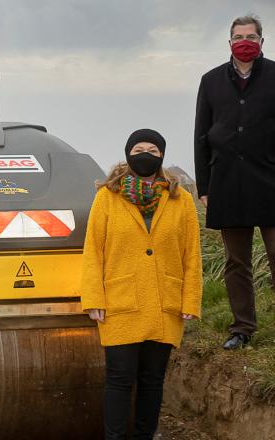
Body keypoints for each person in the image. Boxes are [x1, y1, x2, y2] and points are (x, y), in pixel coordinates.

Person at [194, 14, 275, 350]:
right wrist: (205, 187)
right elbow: (201, 136)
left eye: (251, 36)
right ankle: (242, 329)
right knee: (236, 260)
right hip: (227, 182)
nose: (244, 41)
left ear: (262, 40)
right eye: (237, 36)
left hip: (272, 180)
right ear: (229, 42)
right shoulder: (211, 81)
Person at [81, 129, 203, 440]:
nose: (145, 154)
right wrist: (94, 297)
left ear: (162, 156)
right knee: (120, 378)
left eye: (153, 149)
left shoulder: (181, 200)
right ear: (128, 154)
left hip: (165, 303)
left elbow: (192, 254)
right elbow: (93, 251)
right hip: (120, 303)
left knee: (152, 380)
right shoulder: (107, 197)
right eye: (138, 148)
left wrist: (190, 301)